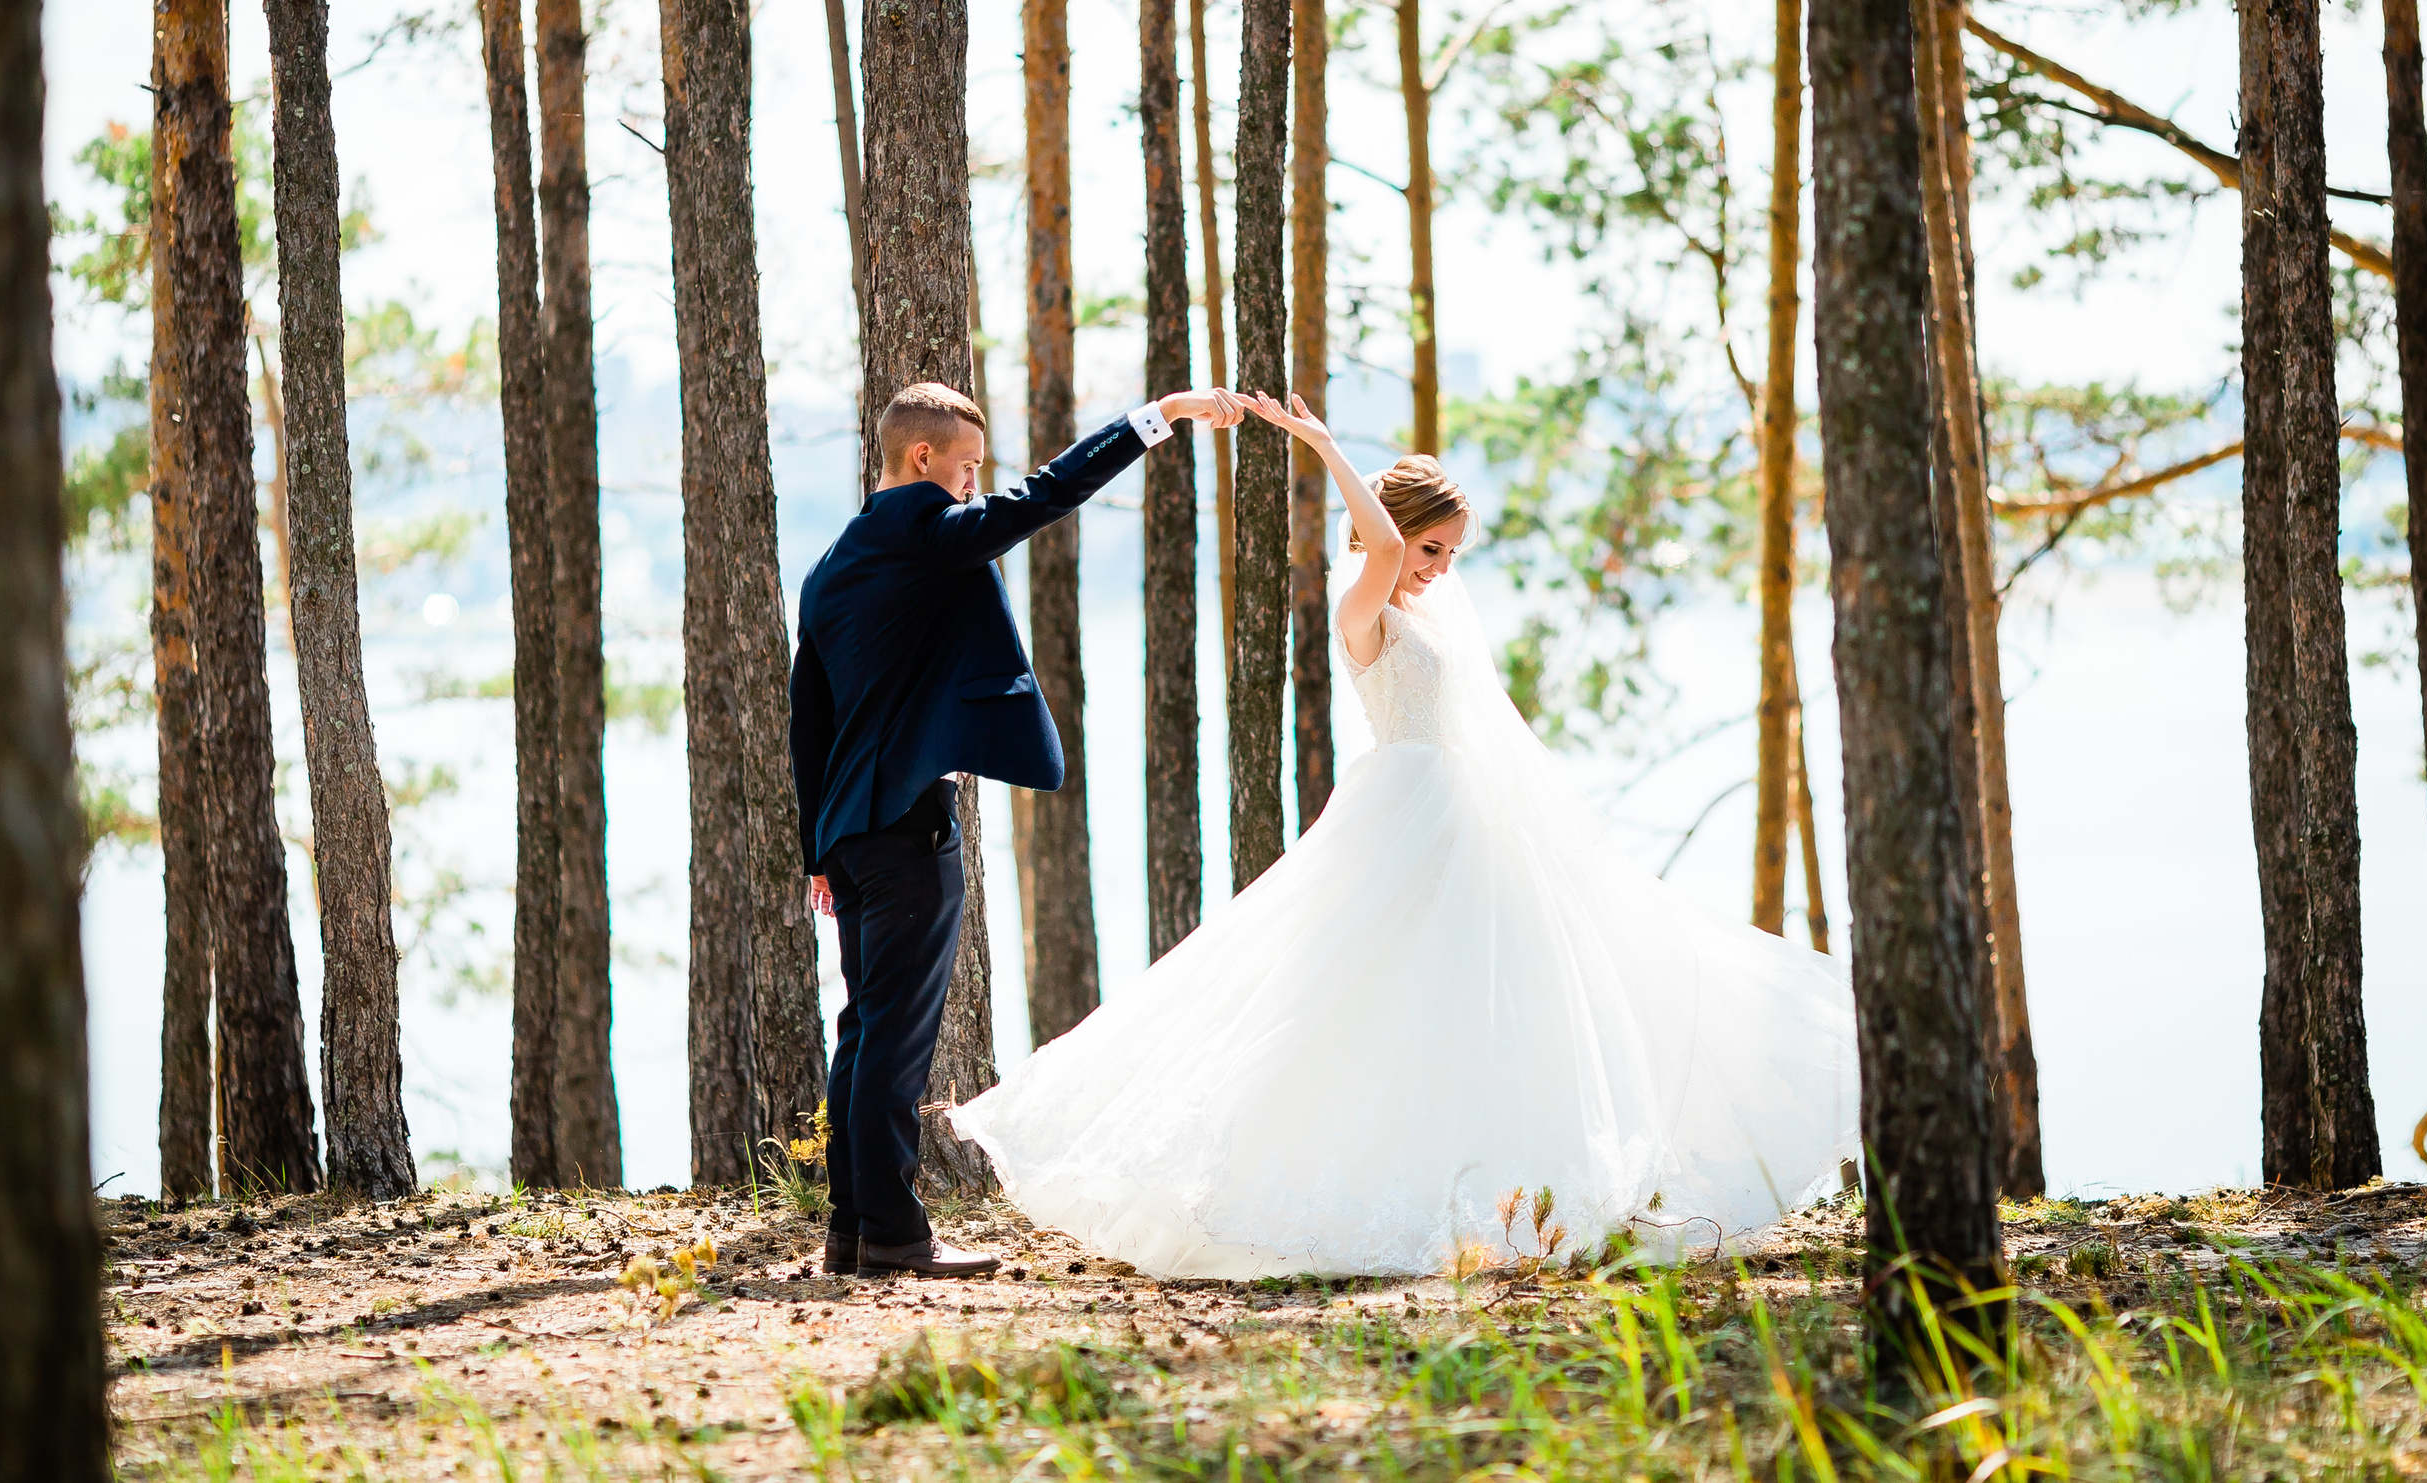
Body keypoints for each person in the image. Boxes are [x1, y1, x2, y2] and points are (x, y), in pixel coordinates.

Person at [951, 391, 1860, 1279]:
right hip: (1400, 811)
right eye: (1432, 547)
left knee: (1481, 1001)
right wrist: (1324, 447)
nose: (1436, 566)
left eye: (1450, 552)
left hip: (1466, 815)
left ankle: (1501, 1188)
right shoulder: (1362, 609)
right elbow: (1380, 545)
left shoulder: (1429, 610)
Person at [790, 379, 1245, 1279]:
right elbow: (1046, 495)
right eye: (967, 468)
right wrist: (1161, 418)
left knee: (863, 1031)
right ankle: (894, 1235)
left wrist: (817, 850)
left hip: (850, 833)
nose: (975, 485)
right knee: (893, 1040)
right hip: (911, 831)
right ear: (922, 460)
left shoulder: (832, 564)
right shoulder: (926, 536)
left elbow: (808, 721)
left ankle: (853, 1227)